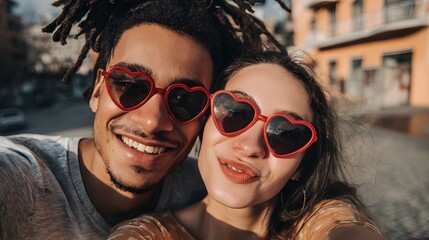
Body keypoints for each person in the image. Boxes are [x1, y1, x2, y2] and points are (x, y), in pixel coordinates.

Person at [0, 1, 289, 239]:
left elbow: (304, 208)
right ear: (97, 92)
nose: (153, 121)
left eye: (185, 100)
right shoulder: (24, 179)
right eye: (130, 85)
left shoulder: (205, 186)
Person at [107, 49, 387, 239]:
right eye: (235, 113)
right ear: (205, 123)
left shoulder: (322, 223)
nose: (250, 145)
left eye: (287, 134)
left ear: (302, 165)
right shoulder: (145, 234)